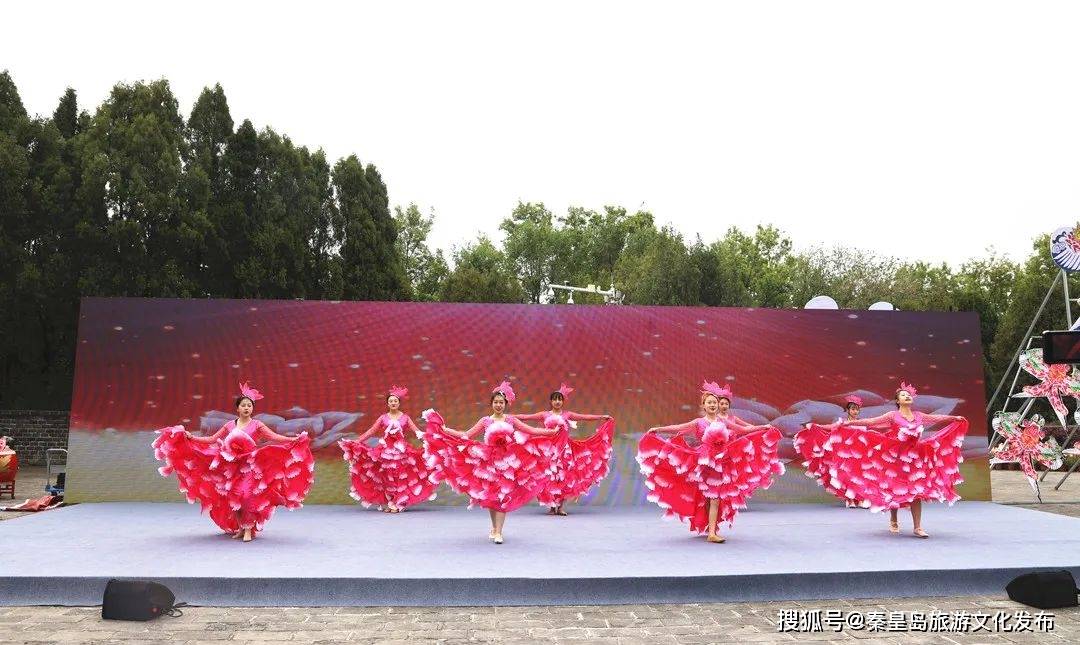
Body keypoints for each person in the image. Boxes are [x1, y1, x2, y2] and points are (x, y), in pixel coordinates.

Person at [153, 382, 314, 542]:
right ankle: (240, 528)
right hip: (231, 467)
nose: (246, 408)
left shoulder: (257, 425)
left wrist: (293, 440)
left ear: (252, 409)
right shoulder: (230, 425)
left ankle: (248, 529)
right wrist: (192, 437)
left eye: (249, 405)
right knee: (234, 498)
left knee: (247, 496)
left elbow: (274, 437)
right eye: (243, 405)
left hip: (250, 467)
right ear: (238, 408)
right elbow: (212, 439)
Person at [637, 381, 784, 543]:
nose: (713, 405)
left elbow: (743, 430)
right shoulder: (698, 422)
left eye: (714, 402)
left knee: (713, 498)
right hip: (704, 463)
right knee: (711, 498)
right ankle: (711, 532)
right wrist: (658, 429)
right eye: (709, 402)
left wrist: (763, 427)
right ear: (704, 405)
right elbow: (678, 427)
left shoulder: (723, 422)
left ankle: (711, 530)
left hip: (721, 463)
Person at [422, 381, 559, 544]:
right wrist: (446, 430)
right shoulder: (486, 421)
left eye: (501, 402)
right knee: (493, 497)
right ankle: (494, 527)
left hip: (508, 464)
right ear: (491, 404)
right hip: (488, 463)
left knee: (502, 496)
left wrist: (551, 432)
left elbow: (532, 430)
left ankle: (499, 532)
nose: (498, 405)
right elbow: (467, 434)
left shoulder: (511, 420)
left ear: (505, 404)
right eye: (496, 402)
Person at [515, 383, 614, 515]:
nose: (557, 402)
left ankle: (560, 507)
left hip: (564, 450)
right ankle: (551, 506)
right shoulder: (545, 415)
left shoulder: (567, 414)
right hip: (549, 451)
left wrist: (601, 417)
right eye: (555, 399)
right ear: (551, 401)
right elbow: (526, 417)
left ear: (562, 401)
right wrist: (509, 417)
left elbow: (584, 417)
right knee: (549, 477)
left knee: (564, 478)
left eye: (559, 399)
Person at [339, 385, 437, 512]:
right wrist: (357, 441)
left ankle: (398, 503)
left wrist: (430, 441)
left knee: (400, 476)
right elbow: (371, 431)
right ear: (387, 403)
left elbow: (417, 432)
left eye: (395, 401)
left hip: (401, 452)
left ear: (399, 403)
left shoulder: (405, 417)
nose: (393, 403)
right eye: (391, 401)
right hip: (385, 452)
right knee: (387, 477)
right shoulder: (383, 418)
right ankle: (391, 502)